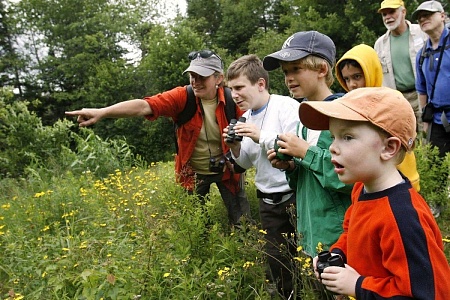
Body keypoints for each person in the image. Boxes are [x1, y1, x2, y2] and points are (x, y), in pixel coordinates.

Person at [65, 50, 250, 226]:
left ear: (218, 78)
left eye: (202, 76)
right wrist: (102, 112)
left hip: (228, 169)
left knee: (241, 221)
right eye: (192, 75)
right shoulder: (183, 97)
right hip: (192, 174)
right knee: (195, 225)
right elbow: (144, 106)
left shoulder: (233, 99)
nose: (195, 81)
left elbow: (253, 123)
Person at [302, 87, 450, 299]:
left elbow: (429, 294)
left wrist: (357, 286)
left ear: (389, 148)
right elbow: (350, 234)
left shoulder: (403, 219)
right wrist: (338, 255)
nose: (333, 147)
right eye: (333, 137)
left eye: (347, 137)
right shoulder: (362, 188)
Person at [263, 30, 353, 265]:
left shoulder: (343, 115)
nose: (289, 78)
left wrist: (305, 152)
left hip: (341, 239)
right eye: (285, 72)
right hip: (312, 236)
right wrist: (291, 166)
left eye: (296, 69)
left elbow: (352, 179)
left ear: (322, 70)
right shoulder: (305, 122)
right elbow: (307, 183)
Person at [224, 54, 300, 298]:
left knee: (306, 255)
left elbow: (296, 147)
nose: (234, 95)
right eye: (231, 89)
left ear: (260, 84)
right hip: (267, 201)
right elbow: (246, 162)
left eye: (239, 88)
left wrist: (259, 134)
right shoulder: (244, 119)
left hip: (295, 196)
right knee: (278, 262)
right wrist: (235, 147)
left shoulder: (286, 106)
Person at [335, 43, 420, 191]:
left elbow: (407, 140)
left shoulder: (391, 102)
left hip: (399, 181)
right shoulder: (350, 108)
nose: (352, 84)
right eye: (347, 79)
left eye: (357, 77)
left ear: (371, 71)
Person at [414, 0, 449, 218]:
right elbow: (422, 89)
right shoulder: (422, 53)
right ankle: (437, 211)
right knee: (436, 166)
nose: (423, 19)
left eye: (428, 14)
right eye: (419, 17)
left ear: (443, 16)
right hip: (437, 118)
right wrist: (424, 121)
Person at [374, 0, 428, 133]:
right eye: (384, 14)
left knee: (428, 137)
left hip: (422, 95)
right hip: (398, 99)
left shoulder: (421, 32)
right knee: (404, 137)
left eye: (392, 12)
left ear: (403, 12)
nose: (388, 17)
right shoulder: (380, 44)